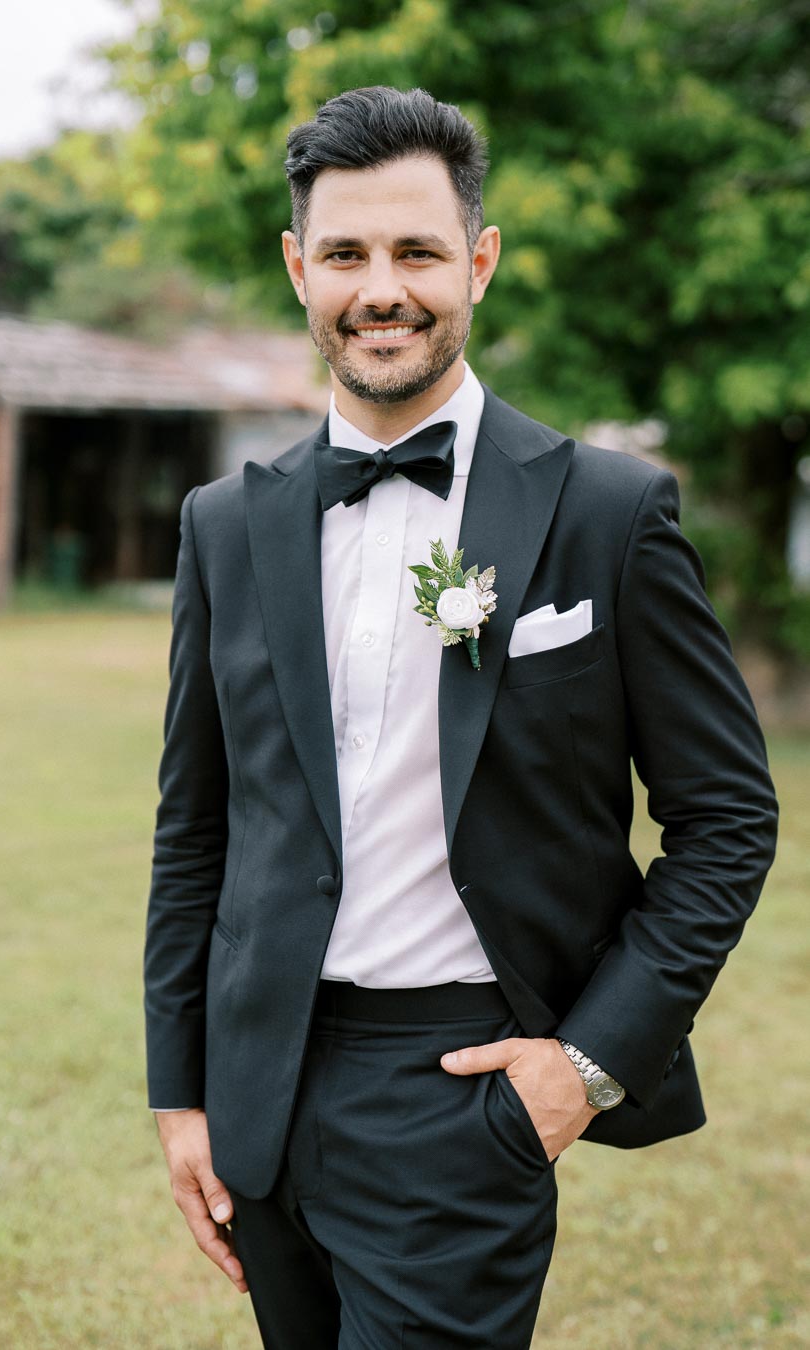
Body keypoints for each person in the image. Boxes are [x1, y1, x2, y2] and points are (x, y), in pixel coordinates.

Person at [145, 86, 778, 1348]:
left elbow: (727, 820)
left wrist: (582, 1067)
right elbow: (196, 828)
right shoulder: (226, 525)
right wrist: (182, 1094)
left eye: (418, 251)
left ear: (478, 263)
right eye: (347, 254)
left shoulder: (608, 512)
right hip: (260, 1091)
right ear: (298, 268)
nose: (383, 288)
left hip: (466, 1094)